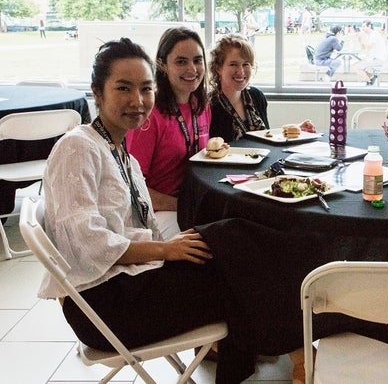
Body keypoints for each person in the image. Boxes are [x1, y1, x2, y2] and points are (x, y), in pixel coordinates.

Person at [36, 38, 259, 383]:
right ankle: (281, 347)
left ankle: (255, 357)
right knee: (240, 282)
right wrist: (165, 249)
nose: (137, 101)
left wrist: (174, 246)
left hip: (131, 282)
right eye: (123, 88)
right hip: (104, 305)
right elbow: (87, 241)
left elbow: (142, 225)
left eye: (145, 89)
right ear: (97, 92)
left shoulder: (120, 151)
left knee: (234, 237)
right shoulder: (78, 148)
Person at [126, 27, 211, 239]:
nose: (192, 69)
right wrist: (182, 205)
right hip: (154, 212)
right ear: (162, 64)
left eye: (197, 60)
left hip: (189, 201)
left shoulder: (200, 105)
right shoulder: (149, 115)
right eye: (181, 61)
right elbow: (132, 187)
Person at [209, 34, 269, 141]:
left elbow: (268, 138)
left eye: (246, 64)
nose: (241, 71)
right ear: (218, 68)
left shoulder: (257, 96)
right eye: (233, 64)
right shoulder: (209, 106)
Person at [354, 20, 387, 85]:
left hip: (378, 59)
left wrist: (362, 38)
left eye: (364, 26)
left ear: (369, 26)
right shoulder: (370, 35)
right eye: (362, 27)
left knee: (356, 67)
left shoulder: (374, 34)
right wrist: (359, 39)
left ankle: (370, 82)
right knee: (359, 66)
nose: (362, 29)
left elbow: (368, 47)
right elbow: (363, 48)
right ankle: (371, 79)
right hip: (374, 58)